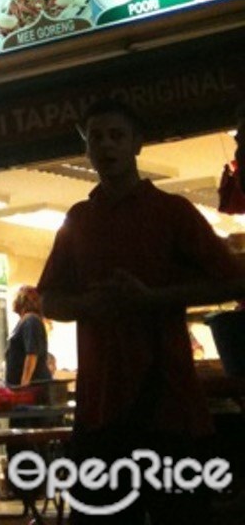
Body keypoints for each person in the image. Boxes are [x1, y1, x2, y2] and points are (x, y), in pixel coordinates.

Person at [38, 97, 245, 522]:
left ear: (137, 144)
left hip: (170, 407)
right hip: (98, 412)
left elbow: (233, 279)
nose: (106, 145)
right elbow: (50, 300)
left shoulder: (172, 212)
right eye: (96, 137)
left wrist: (153, 298)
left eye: (117, 135)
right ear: (86, 148)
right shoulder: (77, 221)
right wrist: (88, 305)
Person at [5, 285, 50, 389]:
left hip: (32, 389)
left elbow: (31, 354)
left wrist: (24, 385)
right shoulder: (28, 321)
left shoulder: (31, 320)